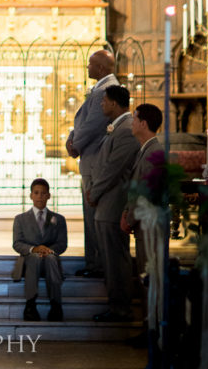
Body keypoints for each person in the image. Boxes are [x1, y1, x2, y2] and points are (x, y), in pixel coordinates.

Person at [87, 85, 140, 323]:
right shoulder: (118, 127)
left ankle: (121, 308)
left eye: (104, 101)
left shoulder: (126, 130)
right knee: (110, 260)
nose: (101, 104)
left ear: (115, 104)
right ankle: (116, 305)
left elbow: (113, 168)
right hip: (106, 204)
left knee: (116, 260)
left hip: (113, 203)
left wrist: (95, 191)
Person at [65, 49, 118, 278]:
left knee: (93, 214)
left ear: (102, 69)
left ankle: (96, 263)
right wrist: (73, 136)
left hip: (95, 158)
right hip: (91, 155)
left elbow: (94, 124)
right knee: (91, 214)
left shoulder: (104, 91)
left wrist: (75, 144)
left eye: (90, 64)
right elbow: (84, 121)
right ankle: (94, 261)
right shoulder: (101, 88)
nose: (87, 67)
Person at [121, 102, 164, 347]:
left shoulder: (153, 151)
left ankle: (153, 331)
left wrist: (130, 217)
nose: (132, 123)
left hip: (149, 226)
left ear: (144, 124)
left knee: (150, 277)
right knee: (146, 276)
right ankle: (150, 327)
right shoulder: (145, 149)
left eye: (135, 119)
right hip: (143, 224)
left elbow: (146, 192)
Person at [12, 178, 68, 322]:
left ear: (49, 196)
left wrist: (48, 250)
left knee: (50, 258)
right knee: (35, 257)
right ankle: (30, 305)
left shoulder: (59, 219)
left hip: (50, 258)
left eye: (43, 193)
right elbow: (17, 243)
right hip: (31, 259)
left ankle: (56, 306)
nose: (40, 196)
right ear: (31, 195)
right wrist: (34, 249)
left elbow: (62, 243)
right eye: (36, 193)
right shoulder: (20, 219)